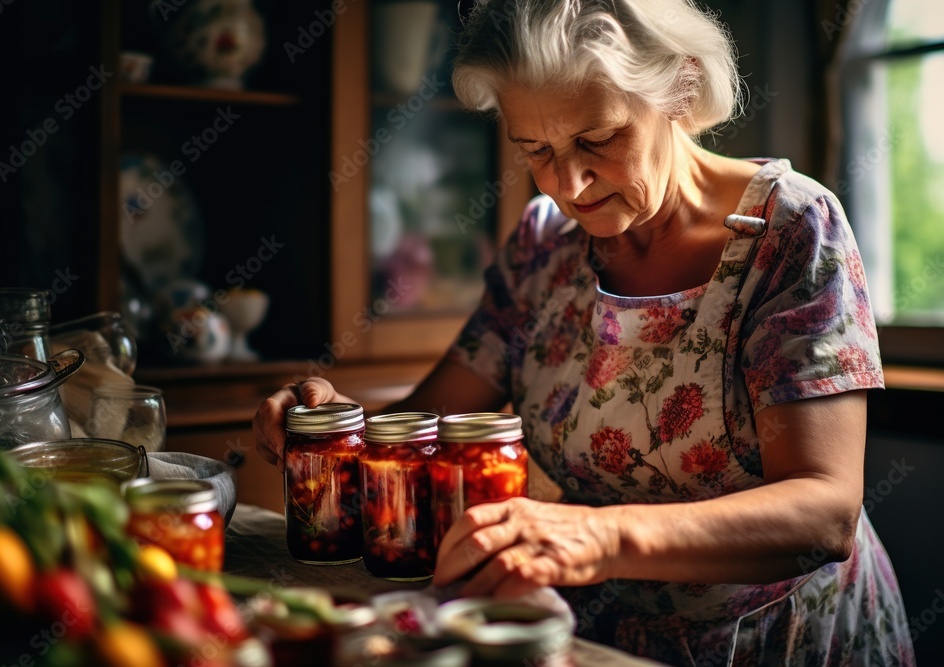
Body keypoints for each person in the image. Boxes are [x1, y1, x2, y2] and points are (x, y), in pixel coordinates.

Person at [254, 0, 915, 663]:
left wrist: (599, 537)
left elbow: (824, 512)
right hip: (595, 638)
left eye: (596, 139)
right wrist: (340, 429)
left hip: (782, 637)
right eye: (535, 149)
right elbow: (431, 424)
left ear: (680, 88)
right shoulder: (543, 247)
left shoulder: (792, 231)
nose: (567, 183)